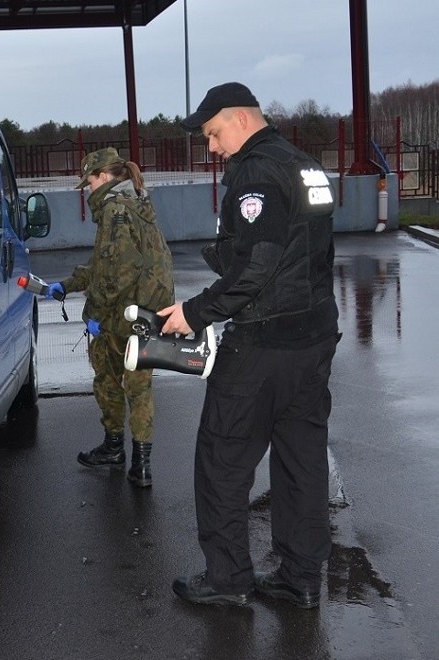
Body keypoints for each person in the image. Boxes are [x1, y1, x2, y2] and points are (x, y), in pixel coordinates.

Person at [159, 82, 339, 608]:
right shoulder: (303, 163)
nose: (211, 148)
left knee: (222, 456)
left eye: (213, 134)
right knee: (301, 460)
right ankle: (301, 578)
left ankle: (227, 579)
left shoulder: (257, 173)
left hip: (263, 342)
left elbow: (256, 269)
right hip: (313, 338)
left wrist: (193, 313)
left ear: (239, 119)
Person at [45, 148, 174, 488]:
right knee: (140, 387)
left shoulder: (114, 210)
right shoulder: (137, 202)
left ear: (103, 176)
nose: (87, 189)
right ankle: (141, 465)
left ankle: (116, 449)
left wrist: (95, 314)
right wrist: (70, 284)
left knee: (108, 379)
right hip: (147, 313)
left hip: (125, 317)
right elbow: (108, 264)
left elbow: (117, 274)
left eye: (88, 182)